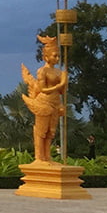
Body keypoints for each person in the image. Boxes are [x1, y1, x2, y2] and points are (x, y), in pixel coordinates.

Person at [21, 34, 68, 163]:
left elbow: (62, 92)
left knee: (51, 132)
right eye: (54, 55)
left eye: (58, 56)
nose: (57, 58)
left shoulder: (59, 72)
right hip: (44, 102)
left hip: (55, 103)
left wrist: (64, 81)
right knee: (41, 131)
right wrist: (59, 85)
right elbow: (43, 89)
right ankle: (38, 157)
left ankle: (47, 156)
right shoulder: (43, 71)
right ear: (46, 57)